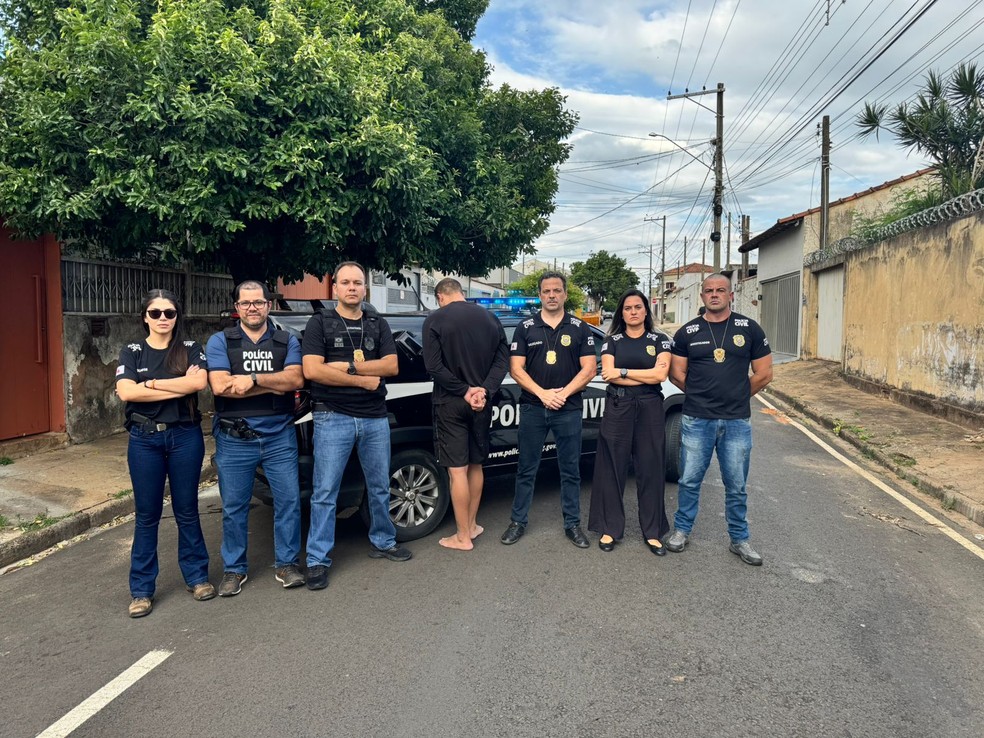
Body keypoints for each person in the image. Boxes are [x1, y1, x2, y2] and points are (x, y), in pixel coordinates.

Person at [302, 262, 412, 591]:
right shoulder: (319, 322)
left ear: (366, 288)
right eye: (346, 282)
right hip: (331, 416)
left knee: (379, 486)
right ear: (334, 287)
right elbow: (313, 370)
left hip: (375, 417)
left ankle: (383, 541)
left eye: (358, 283)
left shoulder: (377, 323)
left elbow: (391, 365)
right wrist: (364, 381)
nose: (352, 288)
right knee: (325, 492)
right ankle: (317, 560)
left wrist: (346, 367)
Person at [115, 290, 211, 618]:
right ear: (145, 317)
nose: (162, 319)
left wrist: (151, 386)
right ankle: (141, 590)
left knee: (187, 510)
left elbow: (197, 385)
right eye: (155, 313)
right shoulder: (133, 350)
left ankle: (197, 577)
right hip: (144, 440)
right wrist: (175, 383)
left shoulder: (189, 348)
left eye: (168, 313)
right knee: (146, 515)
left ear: (176, 316)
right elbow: (125, 391)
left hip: (185, 436)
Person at [666, 273, 773, 565]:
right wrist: (700, 394)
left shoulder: (749, 329)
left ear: (731, 294)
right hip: (697, 419)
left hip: (736, 421)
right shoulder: (687, 332)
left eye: (720, 290)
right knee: (689, 480)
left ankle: (739, 539)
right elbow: (676, 374)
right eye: (709, 291)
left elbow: (764, 374)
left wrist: (738, 396)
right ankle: (681, 531)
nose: (714, 295)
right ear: (702, 296)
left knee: (736, 484)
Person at [206, 281, 305, 596]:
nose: (252, 307)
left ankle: (287, 564)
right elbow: (220, 386)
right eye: (246, 303)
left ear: (268, 305)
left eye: (258, 302)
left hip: (279, 436)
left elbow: (295, 380)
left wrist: (251, 379)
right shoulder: (221, 341)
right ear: (237, 308)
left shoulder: (285, 340)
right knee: (234, 507)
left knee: (288, 502)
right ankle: (234, 570)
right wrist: (275, 384)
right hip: (235, 438)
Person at [500, 272, 596, 548]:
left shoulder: (579, 328)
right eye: (546, 291)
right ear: (540, 295)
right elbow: (516, 369)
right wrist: (543, 394)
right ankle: (518, 521)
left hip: (569, 408)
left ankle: (572, 524)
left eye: (557, 290)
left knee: (570, 469)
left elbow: (589, 368)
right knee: (526, 468)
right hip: (532, 407)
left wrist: (562, 394)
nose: (552, 295)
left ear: (565, 294)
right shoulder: (525, 327)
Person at [422, 278, 509, 551]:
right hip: (482, 403)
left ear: (440, 296)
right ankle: (472, 524)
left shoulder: (434, 320)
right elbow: (502, 360)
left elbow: (433, 367)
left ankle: (462, 537)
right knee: (476, 465)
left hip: (450, 402)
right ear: (462, 293)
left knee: (457, 471)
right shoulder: (490, 318)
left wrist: (464, 390)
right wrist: (483, 390)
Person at [587, 289, 673, 554]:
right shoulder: (612, 341)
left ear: (646, 310)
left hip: (649, 407)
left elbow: (660, 375)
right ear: (621, 313)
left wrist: (625, 371)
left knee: (651, 467)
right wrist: (641, 374)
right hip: (618, 405)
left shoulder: (660, 339)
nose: (633, 312)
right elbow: (609, 376)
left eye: (638, 307)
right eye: (627, 308)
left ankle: (653, 531)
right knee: (611, 466)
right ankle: (609, 529)